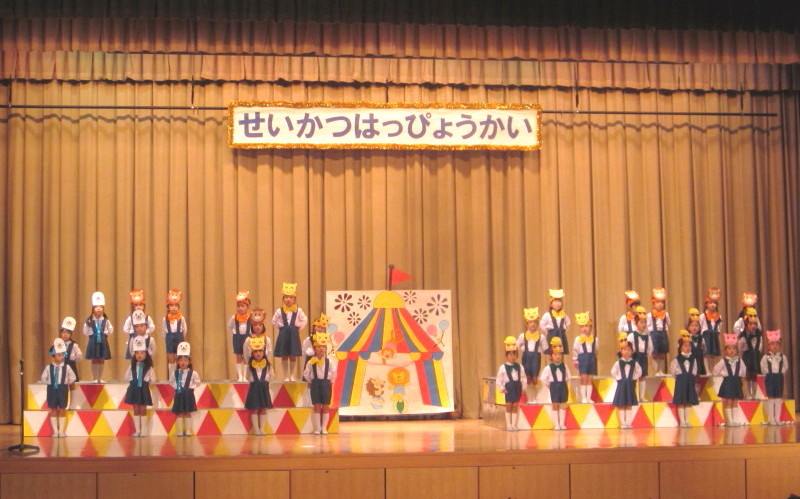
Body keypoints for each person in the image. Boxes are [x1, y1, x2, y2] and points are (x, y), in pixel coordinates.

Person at [41, 338, 77, 437]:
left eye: (62, 355)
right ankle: (55, 431)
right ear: (53, 356)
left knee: (62, 408)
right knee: (53, 409)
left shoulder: (67, 367)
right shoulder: (48, 367)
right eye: (59, 355)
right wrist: (49, 382)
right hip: (52, 390)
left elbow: (73, 377)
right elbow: (43, 378)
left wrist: (66, 383)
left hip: (62, 390)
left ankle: (61, 431)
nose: (61, 357)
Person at [273, 282, 308, 381]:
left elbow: (304, 320)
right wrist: (281, 327)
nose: (288, 299)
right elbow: (274, 321)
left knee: (293, 355)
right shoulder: (279, 311)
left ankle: (292, 375)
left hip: (293, 335)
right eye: (286, 297)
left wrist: (298, 328)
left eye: (291, 297)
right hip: (283, 334)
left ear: (294, 299)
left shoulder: (299, 310)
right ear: (283, 299)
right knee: (284, 355)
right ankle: (285, 376)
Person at [303, 332, 336, 434]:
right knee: (316, 406)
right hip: (315, 385)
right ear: (314, 349)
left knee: (325, 406)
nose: (321, 349)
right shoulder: (310, 362)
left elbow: (334, 372)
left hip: (326, 384)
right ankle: (317, 428)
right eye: (318, 347)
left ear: (326, 349)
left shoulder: (329, 362)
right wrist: (311, 381)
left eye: (323, 347)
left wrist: (331, 381)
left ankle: (324, 428)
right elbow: (306, 374)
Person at [124, 336, 155, 437]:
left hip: (143, 390)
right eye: (137, 353)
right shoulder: (132, 367)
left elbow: (153, 379)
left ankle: (144, 431)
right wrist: (132, 381)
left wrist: (146, 382)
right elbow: (126, 377)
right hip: (134, 389)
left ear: (146, 354)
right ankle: (137, 431)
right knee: (136, 409)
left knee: (143, 409)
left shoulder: (149, 368)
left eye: (142, 353)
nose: (139, 355)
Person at [713, 333, 746, 427]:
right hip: (727, 382)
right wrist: (719, 373)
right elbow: (716, 370)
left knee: (735, 401)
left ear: (737, 350)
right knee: (728, 401)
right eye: (729, 348)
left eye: (734, 348)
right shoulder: (723, 361)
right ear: (725, 350)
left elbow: (744, 370)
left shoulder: (740, 361)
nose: (732, 351)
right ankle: (729, 421)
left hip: (736, 382)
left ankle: (735, 420)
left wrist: (742, 377)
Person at [516, 307, 547, 404]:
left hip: (536, 358)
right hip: (526, 358)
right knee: (528, 378)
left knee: (534, 378)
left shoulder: (541, 337)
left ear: (537, 324)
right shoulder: (522, 336)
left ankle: (535, 397)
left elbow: (545, 348)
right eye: (530, 322)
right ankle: (530, 398)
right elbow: (517, 346)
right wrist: (520, 350)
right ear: (527, 324)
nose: (533, 324)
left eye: (535, 322)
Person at [539, 337, 570, 430]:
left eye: (560, 354)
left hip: (563, 386)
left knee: (563, 404)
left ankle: (562, 424)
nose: (558, 356)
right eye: (555, 354)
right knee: (555, 404)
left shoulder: (564, 366)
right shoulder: (548, 368)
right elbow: (543, 378)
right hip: (554, 387)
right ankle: (557, 424)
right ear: (551, 356)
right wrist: (549, 385)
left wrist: (566, 383)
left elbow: (568, 377)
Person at [170, 342, 200, 436]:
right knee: (179, 412)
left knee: (187, 412)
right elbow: (171, 381)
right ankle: (179, 431)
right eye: (181, 360)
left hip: (188, 395)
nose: (183, 362)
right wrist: (177, 387)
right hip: (179, 394)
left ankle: (187, 430)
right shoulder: (175, 373)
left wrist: (190, 388)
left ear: (189, 362)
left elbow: (197, 382)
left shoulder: (193, 373)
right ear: (178, 362)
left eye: (185, 360)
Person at [612, 334, 642, 429]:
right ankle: (623, 423)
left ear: (632, 351)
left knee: (629, 404)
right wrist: (618, 378)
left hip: (630, 385)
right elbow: (613, 372)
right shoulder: (618, 363)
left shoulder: (634, 363)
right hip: (621, 385)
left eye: (629, 350)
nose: (626, 352)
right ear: (621, 351)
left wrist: (634, 378)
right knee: (621, 404)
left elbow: (639, 371)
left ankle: (628, 423)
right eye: (624, 349)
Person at [496, 336, 526, 431]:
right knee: (509, 405)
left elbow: (523, 377)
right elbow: (499, 380)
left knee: (515, 405)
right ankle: (509, 424)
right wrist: (502, 388)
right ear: (506, 355)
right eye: (510, 354)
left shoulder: (520, 366)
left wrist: (523, 387)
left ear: (517, 355)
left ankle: (514, 425)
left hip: (517, 387)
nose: (512, 357)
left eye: (514, 354)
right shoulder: (503, 367)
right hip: (509, 388)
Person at [670, 332, 700, 428]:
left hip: (690, 381)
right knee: (681, 401)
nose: (688, 348)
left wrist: (690, 376)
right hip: (681, 382)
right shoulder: (676, 360)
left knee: (688, 402)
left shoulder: (693, 359)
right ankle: (682, 422)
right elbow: (673, 371)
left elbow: (694, 370)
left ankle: (687, 421)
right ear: (680, 347)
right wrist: (680, 377)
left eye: (689, 346)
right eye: (685, 346)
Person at [82, 291, 113, 383]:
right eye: (96, 307)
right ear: (93, 309)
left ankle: (100, 377)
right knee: (94, 359)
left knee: (101, 359)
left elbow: (110, 330)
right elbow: (85, 331)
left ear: (103, 308)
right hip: (93, 341)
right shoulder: (89, 321)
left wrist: (104, 335)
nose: (98, 309)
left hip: (103, 341)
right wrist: (92, 335)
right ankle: (95, 378)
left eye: (100, 307)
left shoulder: (106, 321)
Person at [245, 336, 273, 435]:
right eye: (256, 351)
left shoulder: (268, 365)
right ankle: (256, 429)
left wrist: (265, 381)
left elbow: (271, 375)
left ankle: (262, 429)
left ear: (264, 352)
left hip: (264, 389)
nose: (258, 353)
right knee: (254, 409)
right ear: (252, 353)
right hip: (254, 389)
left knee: (263, 409)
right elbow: (247, 376)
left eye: (260, 351)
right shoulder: (250, 366)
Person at [761, 330, 789, 426]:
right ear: (768, 346)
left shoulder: (783, 357)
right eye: (772, 344)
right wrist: (767, 372)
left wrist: (781, 372)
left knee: (778, 397)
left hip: (779, 377)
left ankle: (777, 418)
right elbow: (763, 366)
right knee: (771, 397)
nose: (775, 346)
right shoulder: (765, 357)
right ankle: (771, 419)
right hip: (770, 377)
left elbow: (785, 366)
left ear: (780, 346)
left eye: (777, 344)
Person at [121, 289, 155, 360]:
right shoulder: (130, 318)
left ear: (144, 306)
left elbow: (152, 327)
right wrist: (133, 332)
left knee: (145, 357)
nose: (138, 307)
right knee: (134, 357)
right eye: (136, 305)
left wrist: (145, 332)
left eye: (140, 305)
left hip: (144, 339)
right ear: (133, 306)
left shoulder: (147, 317)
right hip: (134, 339)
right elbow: (125, 328)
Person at [571, 312, 597, 403]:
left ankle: (589, 397)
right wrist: (575, 359)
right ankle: (584, 398)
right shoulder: (578, 339)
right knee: (583, 378)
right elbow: (575, 350)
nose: (584, 328)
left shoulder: (595, 339)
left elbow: (595, 350)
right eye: (582, 327)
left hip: (591, 359)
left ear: (591, 327)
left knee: (590, 379)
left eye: (586, 326)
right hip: (582, 359)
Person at [228, 290, 253, 382]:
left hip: (247, 338)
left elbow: (253, 328)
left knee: (246, 357)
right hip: (237, 338)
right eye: (238, 306)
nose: (240, 308)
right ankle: (240, 376)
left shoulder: (250, 317)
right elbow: (229, 326)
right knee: (238, 356)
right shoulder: (234, 317)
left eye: (242, 306)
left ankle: (245, 376)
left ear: (247, 307)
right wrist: (234, 335)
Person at [627, 308, 652, 401]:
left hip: (643, 357)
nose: (644, 324)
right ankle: (632, 396)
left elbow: (650, 347)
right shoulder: (632, 336)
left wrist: (648, 354)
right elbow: (628, 346)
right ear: (636, 323)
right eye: (641, 322)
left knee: (642, 376)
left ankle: (641, 397)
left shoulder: (647, 336)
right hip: (635, 358)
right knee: (633, 377)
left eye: (645, 322)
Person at [738, 308, 763, 399]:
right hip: (747, 357)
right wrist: (741, 359)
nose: (753, 326)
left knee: (754, 376)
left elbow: (760, 347)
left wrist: (757, 353)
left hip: (755, 357)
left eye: (755, 324)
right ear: (746, 325)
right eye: (751, 324)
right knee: (748, 375)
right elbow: (740, 349)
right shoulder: (743, 337)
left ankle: (754, 394)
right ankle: (748, 393)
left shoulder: (759, 336)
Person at [163, 289, 187, 382]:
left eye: (175, 306)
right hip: (169, 338)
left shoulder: (181, 318)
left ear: (178, 307)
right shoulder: (165, 319)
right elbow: (163, 331)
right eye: (171, 306)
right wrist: (167, 339)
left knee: (180, 357)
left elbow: (184, 329)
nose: (173, 308)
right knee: (171, 358)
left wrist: (181, 337)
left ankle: (181, 377)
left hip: (179, 337)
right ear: (168, 307)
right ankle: (172, 377)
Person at [647, 287, 670, 376]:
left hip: (663, 334)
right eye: (657, 302)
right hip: (654, 334)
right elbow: (648, 326)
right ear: (653, 304)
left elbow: (668, 324)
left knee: (662, 353)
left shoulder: (666, 314)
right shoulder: (649, 315)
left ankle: (661, 370)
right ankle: (656, 371)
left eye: (662, 302)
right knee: (655, 353)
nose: (660, 304)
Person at [699, 287, 723, 373]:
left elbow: (719, 327)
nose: (713, 305)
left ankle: (714, 370)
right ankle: (708, 370)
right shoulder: (703, 316)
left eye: (714, 303)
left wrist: (717, 333)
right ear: (706, 304)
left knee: (714, 354)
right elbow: (700, 326)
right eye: (710, 303)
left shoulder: (719, 316)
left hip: (714, 336)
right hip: (706, 336)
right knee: (707, 354)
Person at [540, 289, 569, 354]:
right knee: (551, 352)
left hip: (562, 336)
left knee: (561, 352)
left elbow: (567, 324)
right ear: (551, 304)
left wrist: (562, 331)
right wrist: (549, 332)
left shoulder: (564, 315)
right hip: (551, 335)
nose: (558, 303)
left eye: (559, 301)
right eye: (555, 301)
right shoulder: (547, 315)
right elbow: (542, 324)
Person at [59, 317, 82, 384]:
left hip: (71, 366)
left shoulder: (74, 345)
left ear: (71, 334)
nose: (65, 335)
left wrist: (73, 361)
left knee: (72, 382)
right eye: (63, 332)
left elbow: (79, 355)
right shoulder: (58, 344)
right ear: (60, 334)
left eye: (68, 333)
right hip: (61, 365)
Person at [687, 310, 706, 375]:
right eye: (692, 326)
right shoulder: (686, 338)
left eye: (696, 326)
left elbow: (704, 349)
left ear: (699, 328)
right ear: (688, 327)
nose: (694, 328)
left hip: (699, 361)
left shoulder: (701, 338)